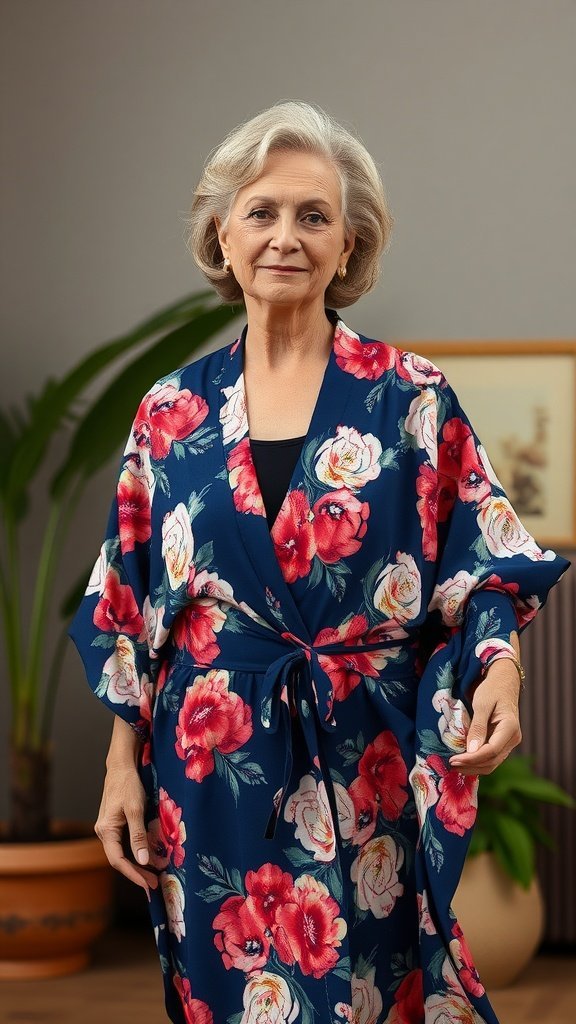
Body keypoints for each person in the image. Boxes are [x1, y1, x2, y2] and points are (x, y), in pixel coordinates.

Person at [70, 101, 570, 1024]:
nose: (285, 238)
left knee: (374, 988)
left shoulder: (411, 396)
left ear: (348, 246)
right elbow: (129, 606)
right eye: (261, 212)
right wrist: (118, 767)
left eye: (313, 216)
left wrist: (500, 670)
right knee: (232, 989)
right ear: (223, 235)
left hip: (368, 756)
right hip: (213, 763)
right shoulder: (170, 412)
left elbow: (487, 558)